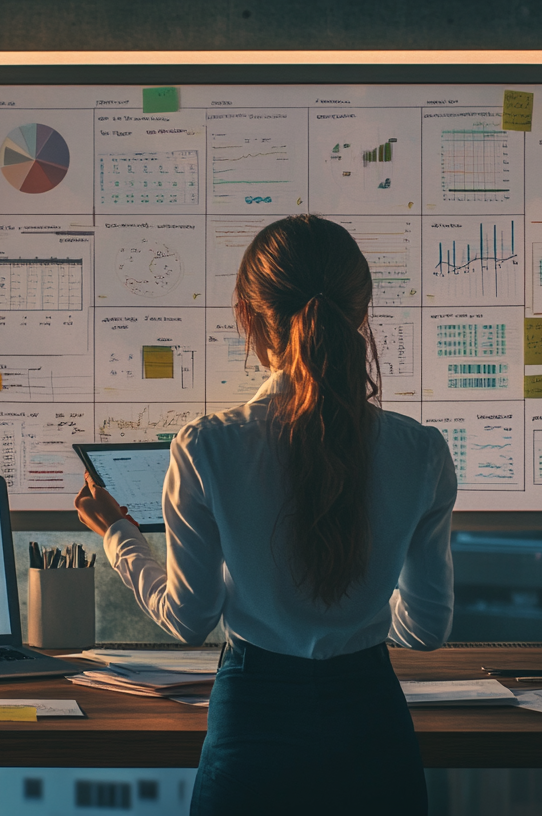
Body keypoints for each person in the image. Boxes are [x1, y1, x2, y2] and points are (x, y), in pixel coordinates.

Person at [76, 214, 456, 815]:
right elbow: (427, 628)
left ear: (251, 320)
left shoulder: (209, 446)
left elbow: (188, 619)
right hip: (373, 723)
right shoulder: (421, 451)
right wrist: (354, 621)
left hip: (254, 723)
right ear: (359, 315)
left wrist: (119, 535)